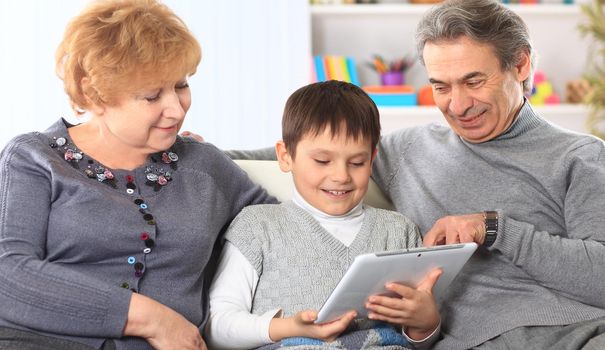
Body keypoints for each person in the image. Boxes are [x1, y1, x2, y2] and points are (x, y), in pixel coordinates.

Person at [218, 0, 605, 348]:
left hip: (580, 332)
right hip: (465, 341)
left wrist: (494, 229)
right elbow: (310, 149)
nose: (458, 105)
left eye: (473, 81)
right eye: (441, 86)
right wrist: (191, 149)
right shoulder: (408, 149)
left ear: (519, 65)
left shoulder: (579, 156)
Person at [0, 1, 275, 349]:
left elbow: (287, 229)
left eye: (181, 85)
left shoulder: (204, 166)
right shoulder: (32, 158)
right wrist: (155, 320)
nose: (176, 108)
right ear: (93, 94)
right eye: (151, 96)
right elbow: (7, 276)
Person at [205, 80, 443, 349]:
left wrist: (425, 324)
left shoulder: (399, 231)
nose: (341, 176)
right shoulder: (258, 226)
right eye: (322, 161)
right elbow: (218, 326)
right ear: (285, 156)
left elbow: (417, 338)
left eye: (357, 162)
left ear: (372, 159)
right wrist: (286, 327)